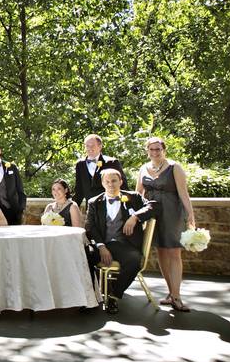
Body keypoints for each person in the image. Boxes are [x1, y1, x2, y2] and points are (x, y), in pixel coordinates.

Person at [136, 136, 197, 312]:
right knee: (161, 252)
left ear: (164, 150)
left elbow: (184, 194)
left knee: (174, 253)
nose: (155, 152)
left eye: (158, 149)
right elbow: (138, 194)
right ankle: (171, 293)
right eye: (151, 149)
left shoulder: (174, 168)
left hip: (172, 214)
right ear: (147, 151)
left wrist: (191, 216)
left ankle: (177, 296)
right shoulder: (143, 168)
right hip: (152, 215)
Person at [86, 168, 153, 314]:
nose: (111, 184)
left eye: (114, 181)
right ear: (102, 183)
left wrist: (135, 216)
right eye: (107, 181)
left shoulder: (134, 197)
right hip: (102, 244)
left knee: (134, 259)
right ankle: (88, 297)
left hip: (124, 245)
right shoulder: (94, 202)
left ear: (121, 181)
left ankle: (113, 296)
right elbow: (90, 226)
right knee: (82, 256)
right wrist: (101, 246)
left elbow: (153, 206)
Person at [73, 134, 127, 207]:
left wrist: (126, 205)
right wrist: (70, 208)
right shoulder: (80, 164)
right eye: (87, 146)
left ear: (100, 146)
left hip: (111, 206)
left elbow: (123, 185)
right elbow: (79, 189)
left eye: (92, 145)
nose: (89, 148)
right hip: (91, 208)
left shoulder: (111, 162)